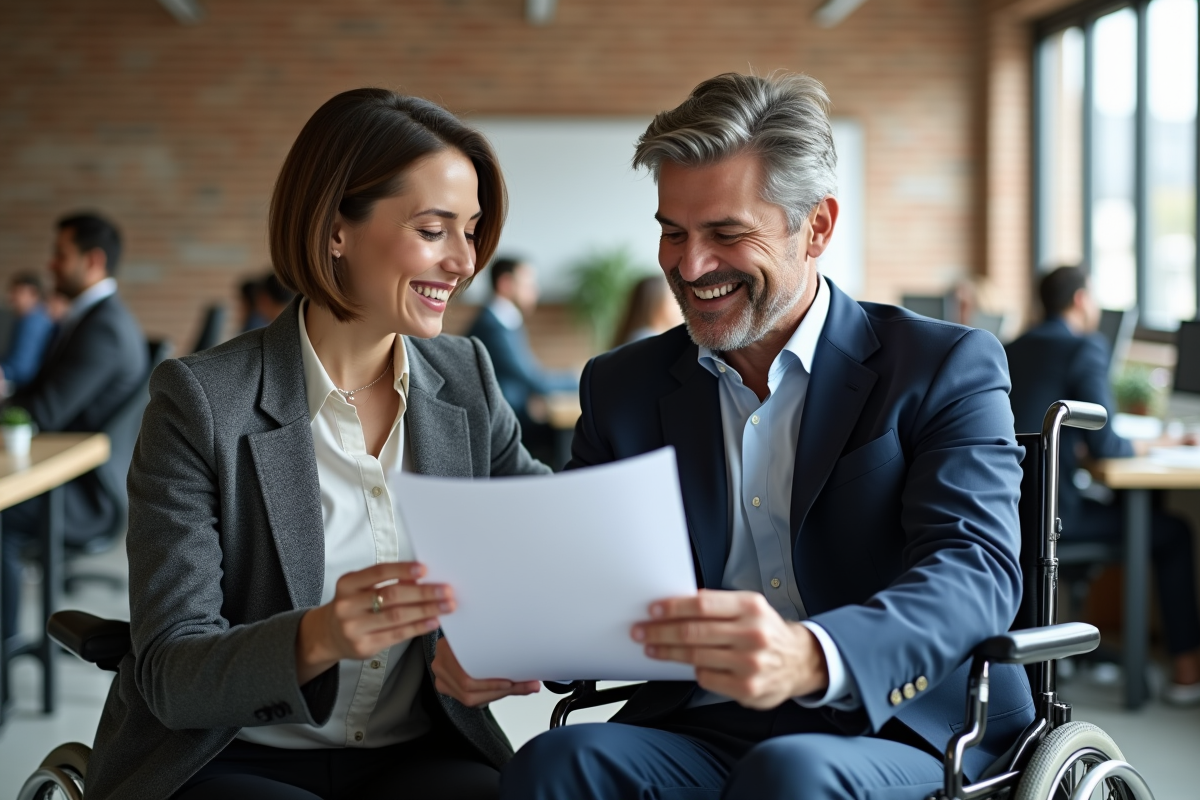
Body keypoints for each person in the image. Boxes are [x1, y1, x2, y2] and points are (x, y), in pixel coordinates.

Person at [500, 72, 1030, 800]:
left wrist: (814, 655)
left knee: (789, 775)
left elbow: (974, 570)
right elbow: (583, 581)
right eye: (673, 233)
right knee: (553, 763)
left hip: (906, 724)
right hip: (707, 723)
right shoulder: (624, 386)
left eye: (726, 234)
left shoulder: (942, 365)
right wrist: (513, 638)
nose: (690, 267)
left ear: (816, 227)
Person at [85, 89, 549, 800]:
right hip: (232, 751)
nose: (464, 261)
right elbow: (171, 672)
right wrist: (320, 636)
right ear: (337, 230)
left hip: (416, 747)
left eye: (472, 230)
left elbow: (544, 535)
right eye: (434, 230)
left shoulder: (464, 377)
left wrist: (516, 637)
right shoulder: (203, 400)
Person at [1006, 265, 1200, 705]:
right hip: (1056, 517)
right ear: (1080, 300)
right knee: (1172, 533)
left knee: (1150, 520)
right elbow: (1109, 446)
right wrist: (1170, 439)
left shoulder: (1010, 346)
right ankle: (1187, 672)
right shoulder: (1084, 348)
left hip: (1012, 510)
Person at [0, 213, 148, 643]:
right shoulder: (91, 319)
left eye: (60, 255)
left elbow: (45, 412)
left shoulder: (104, 329)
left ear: (93, 260)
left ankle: (3, 661)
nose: (50, 264)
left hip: (86, 494)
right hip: (69, 472)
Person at [466, 256, 577, 423]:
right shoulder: (492, 328)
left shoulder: (505, 321)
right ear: (505, 284)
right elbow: (534, 379)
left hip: (510, 414)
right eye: (528, 285)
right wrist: (578, 379)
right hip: (501, 422)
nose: (536, 291)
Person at [0, 272, 55, 391]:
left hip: (23, 390)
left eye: (17, 292)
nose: (11, 297)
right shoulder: (28, 319)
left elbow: (21, 369)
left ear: (33, 294)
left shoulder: (33, 322)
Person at [611, 273, 683, 347]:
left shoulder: (637, 337)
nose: (678, 306)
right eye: (674, 299)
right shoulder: (647, 339)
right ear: (655, 302)